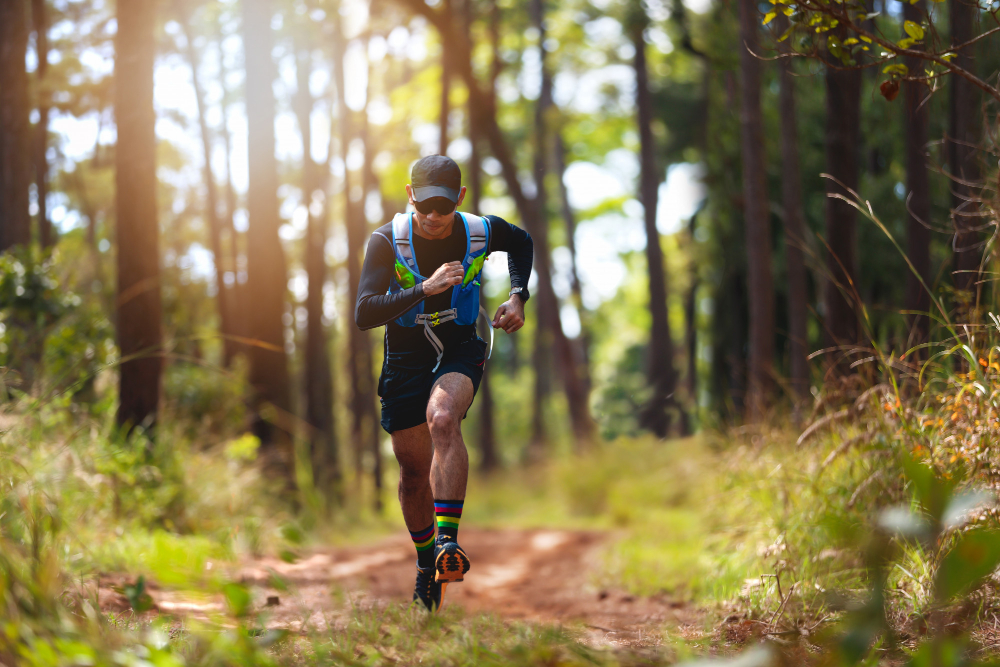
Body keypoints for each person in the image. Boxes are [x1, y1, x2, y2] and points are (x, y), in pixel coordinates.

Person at [355, 155, 533, 612]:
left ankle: (447, 545)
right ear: (410, 195)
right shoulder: (385, 242)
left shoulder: (479, 230)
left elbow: (522, 241)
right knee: (413, 473)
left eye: (443, 206)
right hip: (404, 359)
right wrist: (424, 288)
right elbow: (364, 313)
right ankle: (425, 563)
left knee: (443, 417)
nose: (433, 217)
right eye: (425, 206)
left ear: (460, 198)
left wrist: (518, 295)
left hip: (459, 347)